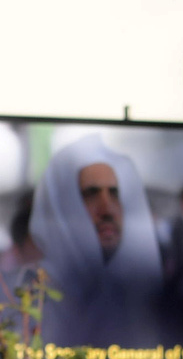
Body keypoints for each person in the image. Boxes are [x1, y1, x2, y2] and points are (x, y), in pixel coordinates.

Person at [31, 134, 164, 346]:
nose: (107, 209)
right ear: (62, 206)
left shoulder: (140, 298)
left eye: (114, 193)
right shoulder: (29, 297)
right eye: (91, 194)